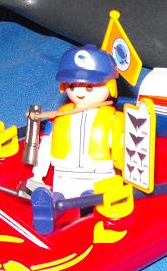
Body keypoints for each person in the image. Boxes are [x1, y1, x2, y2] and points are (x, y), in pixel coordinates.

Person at [28, 44, 119, 234]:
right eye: (72, 85)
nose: (80, 92)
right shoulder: (60, 116)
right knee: (60, 197)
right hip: (65, 174)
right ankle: (50, 208)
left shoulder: (113, 119)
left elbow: (121, 147)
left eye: (89, 86)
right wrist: (38, 173)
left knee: (91, 198)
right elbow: (46, 145)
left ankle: (87, 210)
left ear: (111, 86)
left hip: (98, 175)